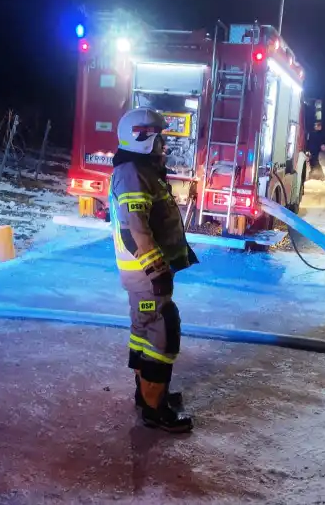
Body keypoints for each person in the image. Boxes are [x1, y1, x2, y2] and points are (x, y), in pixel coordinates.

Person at [109, 108, 198, 433]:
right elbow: (135, 230)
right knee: (162, 333)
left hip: (143, 275)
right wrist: (157, 271)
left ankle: (146, 394)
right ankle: (155, 409)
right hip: (146, 275)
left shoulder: (140, 169)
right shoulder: (134, 173)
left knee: (144, 329)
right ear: (142, 138)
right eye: (159, 139)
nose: (164, 145)